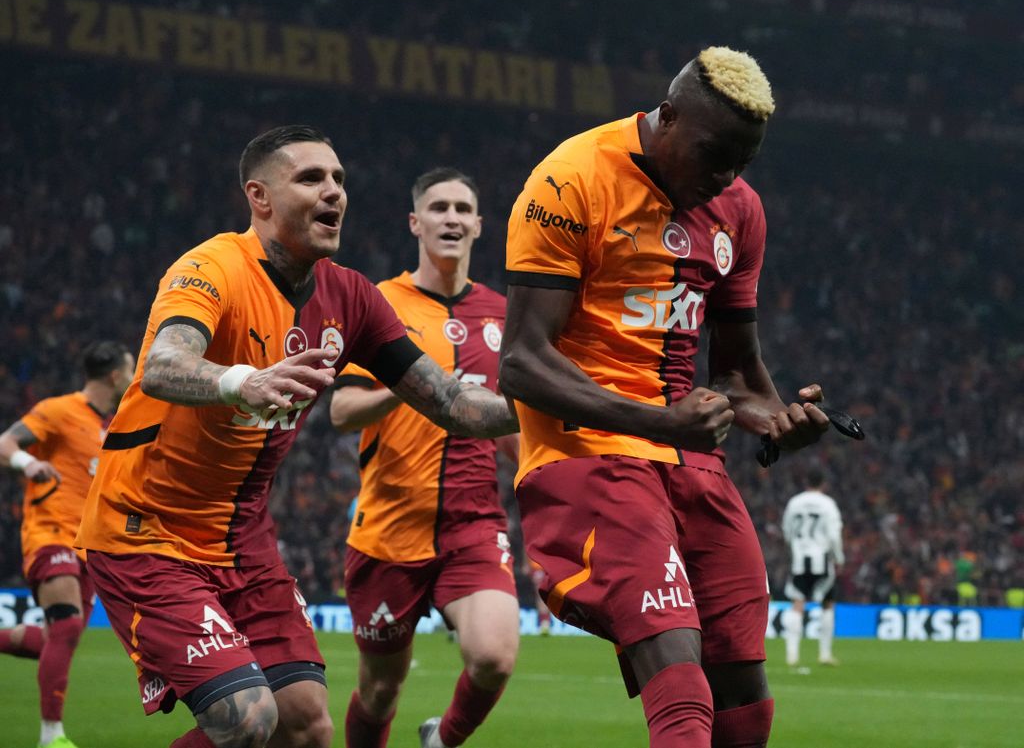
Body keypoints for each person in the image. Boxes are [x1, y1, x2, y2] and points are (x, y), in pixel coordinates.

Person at [74, 125, 517, 748]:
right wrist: (241, 383)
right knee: (248, 717)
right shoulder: (212, 266)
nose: (333, 191)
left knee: (306, 724)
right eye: (311, 178)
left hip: (244, 539)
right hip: (146, 530)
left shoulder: (351, 297)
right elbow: (164, 365)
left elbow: (453, 404)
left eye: (339, 179)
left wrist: (582, 404)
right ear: (260, 196)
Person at [499, 46, 832, 748]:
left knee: (746, 703)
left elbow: (737, 374)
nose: (726, 177)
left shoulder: (738, 208)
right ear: (668, 116)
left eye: (742, 162)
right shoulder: (572, 178)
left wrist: (781, 422)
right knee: (681, 687)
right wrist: (658, 420)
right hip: (584, 453)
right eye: (714, 155)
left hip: (686, 461)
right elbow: (524, 361)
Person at [330, 168, 519, 748]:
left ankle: (441, 741)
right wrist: (415, 383)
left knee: (493, 657)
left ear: (480, 226)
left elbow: (514, 426)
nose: (452, 218)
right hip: (389, 531)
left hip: (474, 524)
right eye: (439, 208)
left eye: (464, 208)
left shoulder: (504, 313)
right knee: (380, 690)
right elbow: (342, 412)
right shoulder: (380, 302)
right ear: (416, 222)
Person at [0, 340, 134, 748]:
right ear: (114, 375)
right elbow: (5, 443)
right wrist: (29, 462)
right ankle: (51, 737)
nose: (133, 378)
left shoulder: (113, 426)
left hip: (89, 546)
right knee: (70, 625)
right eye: (130, 370)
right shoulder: (58, 410)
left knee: (56, 636)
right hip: (48, 534)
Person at [781, 466, 844, 667]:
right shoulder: (828, 504)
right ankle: (824, 654)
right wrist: (839, 558)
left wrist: (793, 551)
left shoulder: (794, 503)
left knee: (797, 603)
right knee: (828, 603)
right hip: (822, 559)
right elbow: (834, 535)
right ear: (823, 484)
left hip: (800, 559)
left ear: (806, 482)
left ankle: (792, 655)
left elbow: (787, 531)